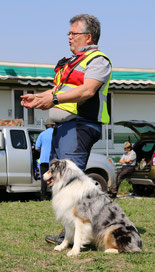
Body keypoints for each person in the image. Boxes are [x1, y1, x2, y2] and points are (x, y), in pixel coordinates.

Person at [21, 14, 112, 244]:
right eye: (69, 34)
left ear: (88, 36)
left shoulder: (98, 61)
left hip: (80, 126)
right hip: (65, 128)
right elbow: (57, 91)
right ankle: (71, 233)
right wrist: (38, 97)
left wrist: (53, 99)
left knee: (71, 183)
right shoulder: (71, 62)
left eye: (74, 34)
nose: (69, 38)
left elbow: (86, 91)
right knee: (60, 181)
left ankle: (76, 236)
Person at [35, 119, 55, 200]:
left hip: (44, 160)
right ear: (53, 125)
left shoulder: (42, 134)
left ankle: (43, 196)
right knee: (55, 178)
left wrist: (42, 151)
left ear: (46, 126)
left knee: (44, 178)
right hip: (54, 160)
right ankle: (54, 195)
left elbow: (36, 148)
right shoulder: (56, 134)